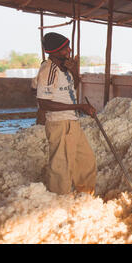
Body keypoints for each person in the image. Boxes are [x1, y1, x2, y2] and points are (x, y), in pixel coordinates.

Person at [36, 32, 97, 195]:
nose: (69, 50)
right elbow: (44, 103)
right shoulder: (48, 70)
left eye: (68, 47)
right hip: (59, 123)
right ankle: (57, 201)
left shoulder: (64, 68)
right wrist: (79, 106)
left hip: (72, 121)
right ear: (54, 51)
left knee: (86, 161)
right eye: (65, 49)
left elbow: (73, 86)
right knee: (61, 167)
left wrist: (74, 71)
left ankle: (85, 196)